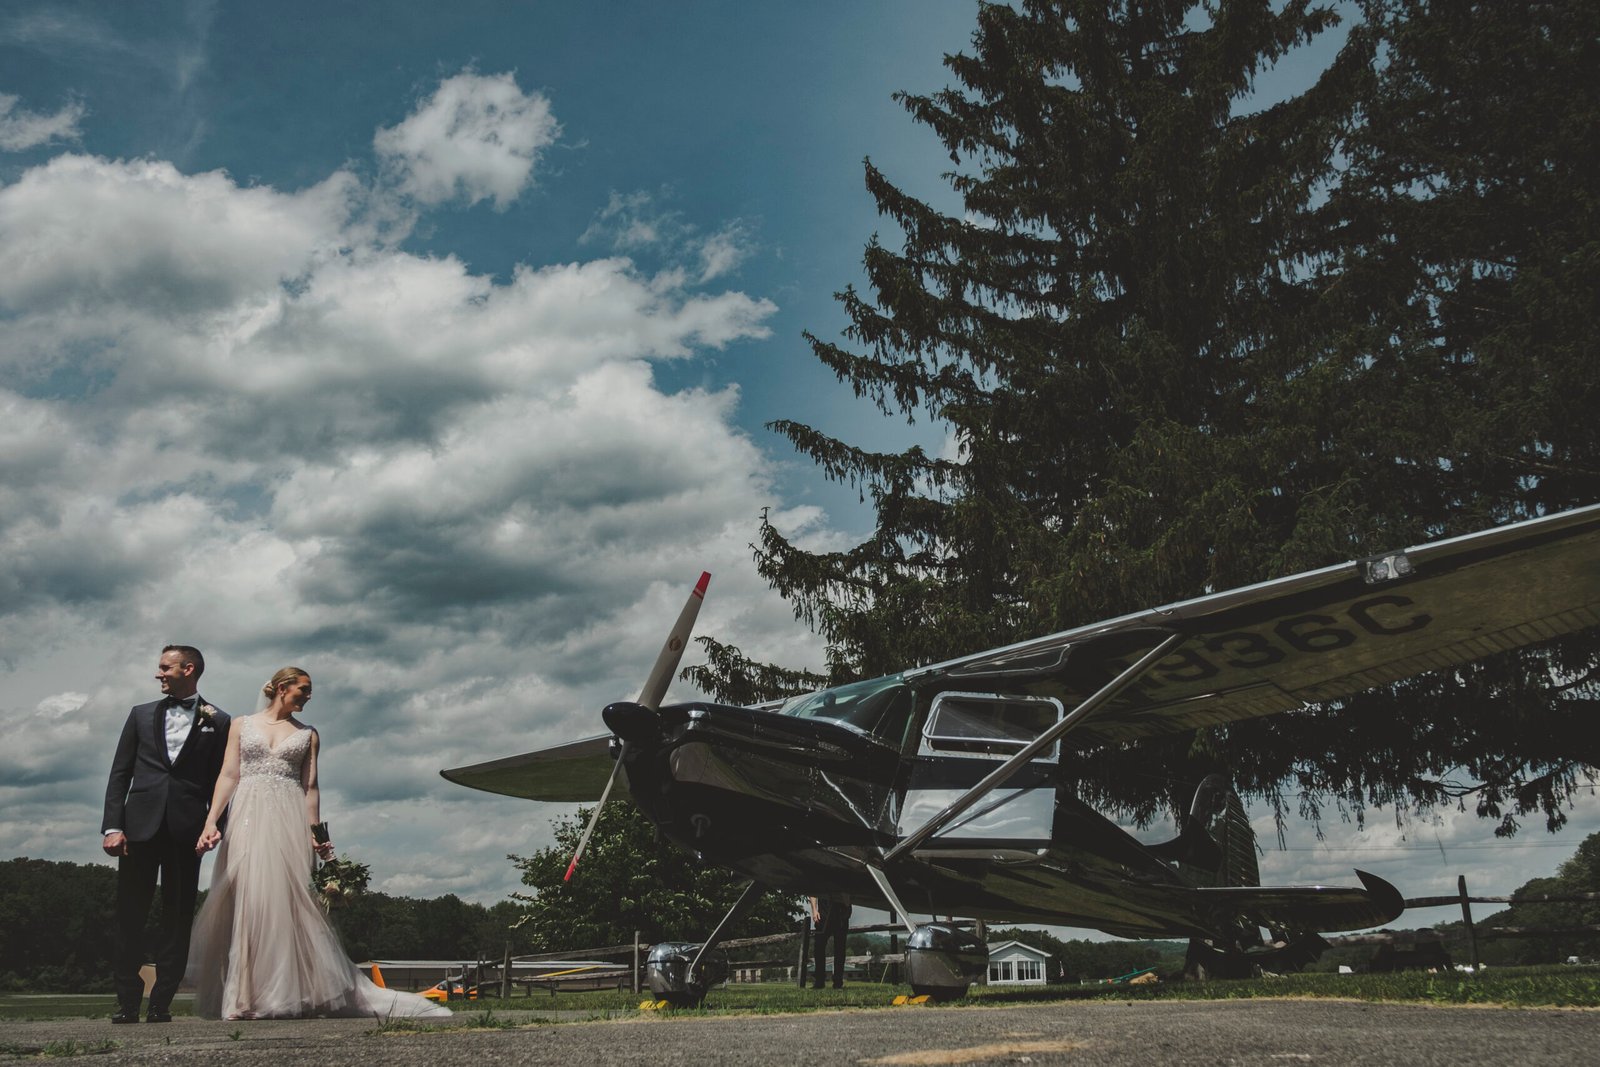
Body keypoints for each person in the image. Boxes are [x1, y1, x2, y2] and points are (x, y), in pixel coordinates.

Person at [186, 667, 448, 1020]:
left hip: (288, 819)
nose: (309, 696)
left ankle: (284, 993)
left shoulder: (308, 735)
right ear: (283, 687)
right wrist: (211, 821)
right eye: (304, 689)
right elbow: (229, 774)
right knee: (249, 898)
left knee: (285, 901)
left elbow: (310, 788)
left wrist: (317, 834)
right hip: (247, 816)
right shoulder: (241, 725)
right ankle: (244, 996)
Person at [102, 645, 231, 1024]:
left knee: (177, 917)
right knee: (130, 915)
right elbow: (120, 773)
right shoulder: (140, 715)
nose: (158, 673)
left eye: (164, 667)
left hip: (187, 830)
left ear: (188, 669)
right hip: (138, 829)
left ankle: (161, 1004)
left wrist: (215, 827)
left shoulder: (219, 720)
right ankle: (127, 1003)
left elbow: (222, 781)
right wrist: (113, 826)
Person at [810, 894, 851, 989]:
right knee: (819, 946)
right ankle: (819, 981)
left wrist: (848, 906)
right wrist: (814, 910)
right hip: (823, 912)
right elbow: (812, 891)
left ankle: (838, 982)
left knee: (840, 948)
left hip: (841, 912)